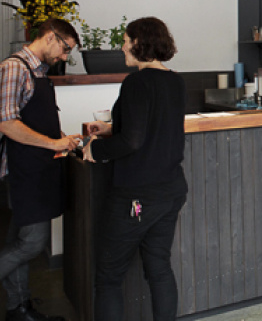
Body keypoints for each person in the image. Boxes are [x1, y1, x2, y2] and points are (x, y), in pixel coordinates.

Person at [83, 17, 187, 321]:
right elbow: (153, 126)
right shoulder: (175, 81)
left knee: (109, 277)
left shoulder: (136, 82)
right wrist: (110, 128)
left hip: (137, 195)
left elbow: (133, 141)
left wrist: (94, 150)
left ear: (140, 43)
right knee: (159, 268)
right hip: (171, 190)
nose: (122, 47)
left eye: (126, 41)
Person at [0, 19, 80, 321]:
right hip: (23, 172)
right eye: (65, 48)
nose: (64, 56)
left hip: (38, 169)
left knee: (17, 243)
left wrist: (61, 140)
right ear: (50, 37)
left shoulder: (40, 73)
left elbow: (36, 121)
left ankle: (18, 308)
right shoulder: (14, 68)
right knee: (32, 243)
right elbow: (7, 123)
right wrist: (52, 143)